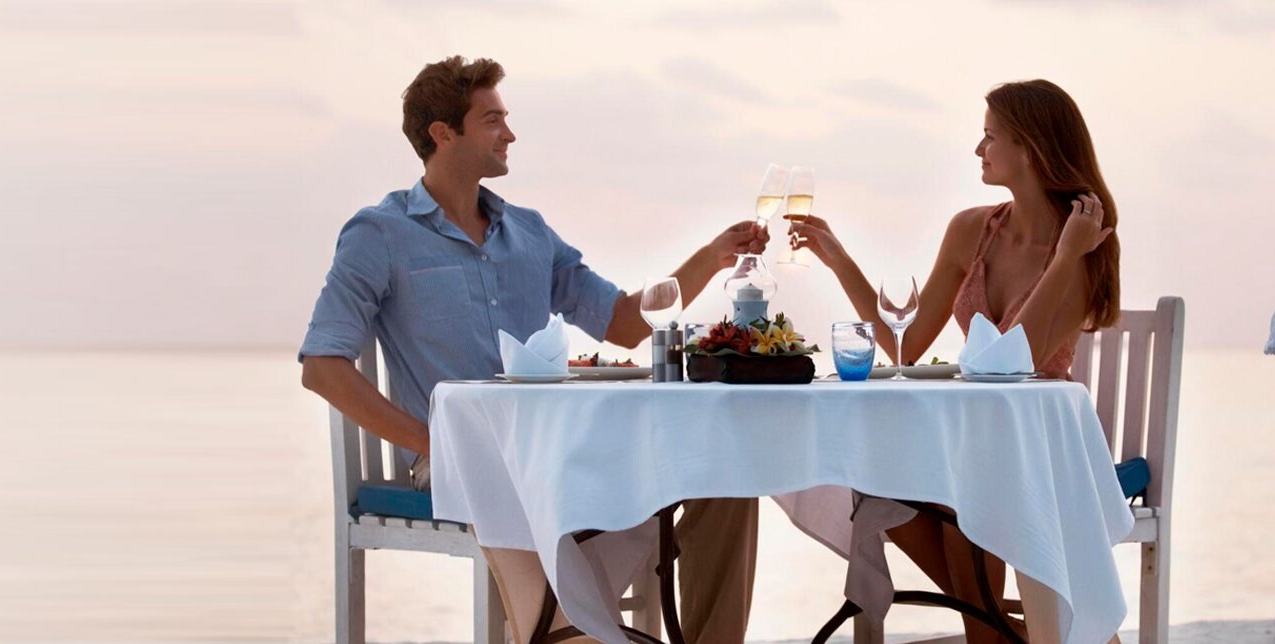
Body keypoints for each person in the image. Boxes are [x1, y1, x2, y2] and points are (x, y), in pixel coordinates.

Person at [298, 55, 766, 643]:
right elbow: (322, 367)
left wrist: (714, 255)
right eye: (492, 120)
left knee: (724, 477)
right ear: (443, 134)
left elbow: (623, 322)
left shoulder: (530, 232)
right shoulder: (380, 233)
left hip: (560, 449)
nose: (510, 134)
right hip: (462, 461)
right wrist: (437, 441)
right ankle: (570, 627)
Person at [792, 79, 1121, 642]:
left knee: (966, 492)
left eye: (990, 137)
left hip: (1034, 451)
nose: (978, 150)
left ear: (1032, 148)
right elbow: (903, 345)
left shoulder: (1086, 244)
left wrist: (1066, 257)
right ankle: (1002, 629)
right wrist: (838, 260)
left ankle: (996, 630)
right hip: (967, 441)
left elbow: (1015, 359)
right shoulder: (973, 230)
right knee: (875, 480)